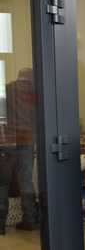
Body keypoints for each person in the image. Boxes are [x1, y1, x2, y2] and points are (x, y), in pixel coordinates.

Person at [0, 68, 38, 235]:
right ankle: (30, 219)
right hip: (28, 140)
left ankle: (0, 224)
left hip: (7, 140)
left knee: (2, 182)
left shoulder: (6, 89)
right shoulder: (35, 94)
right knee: (26, 180)